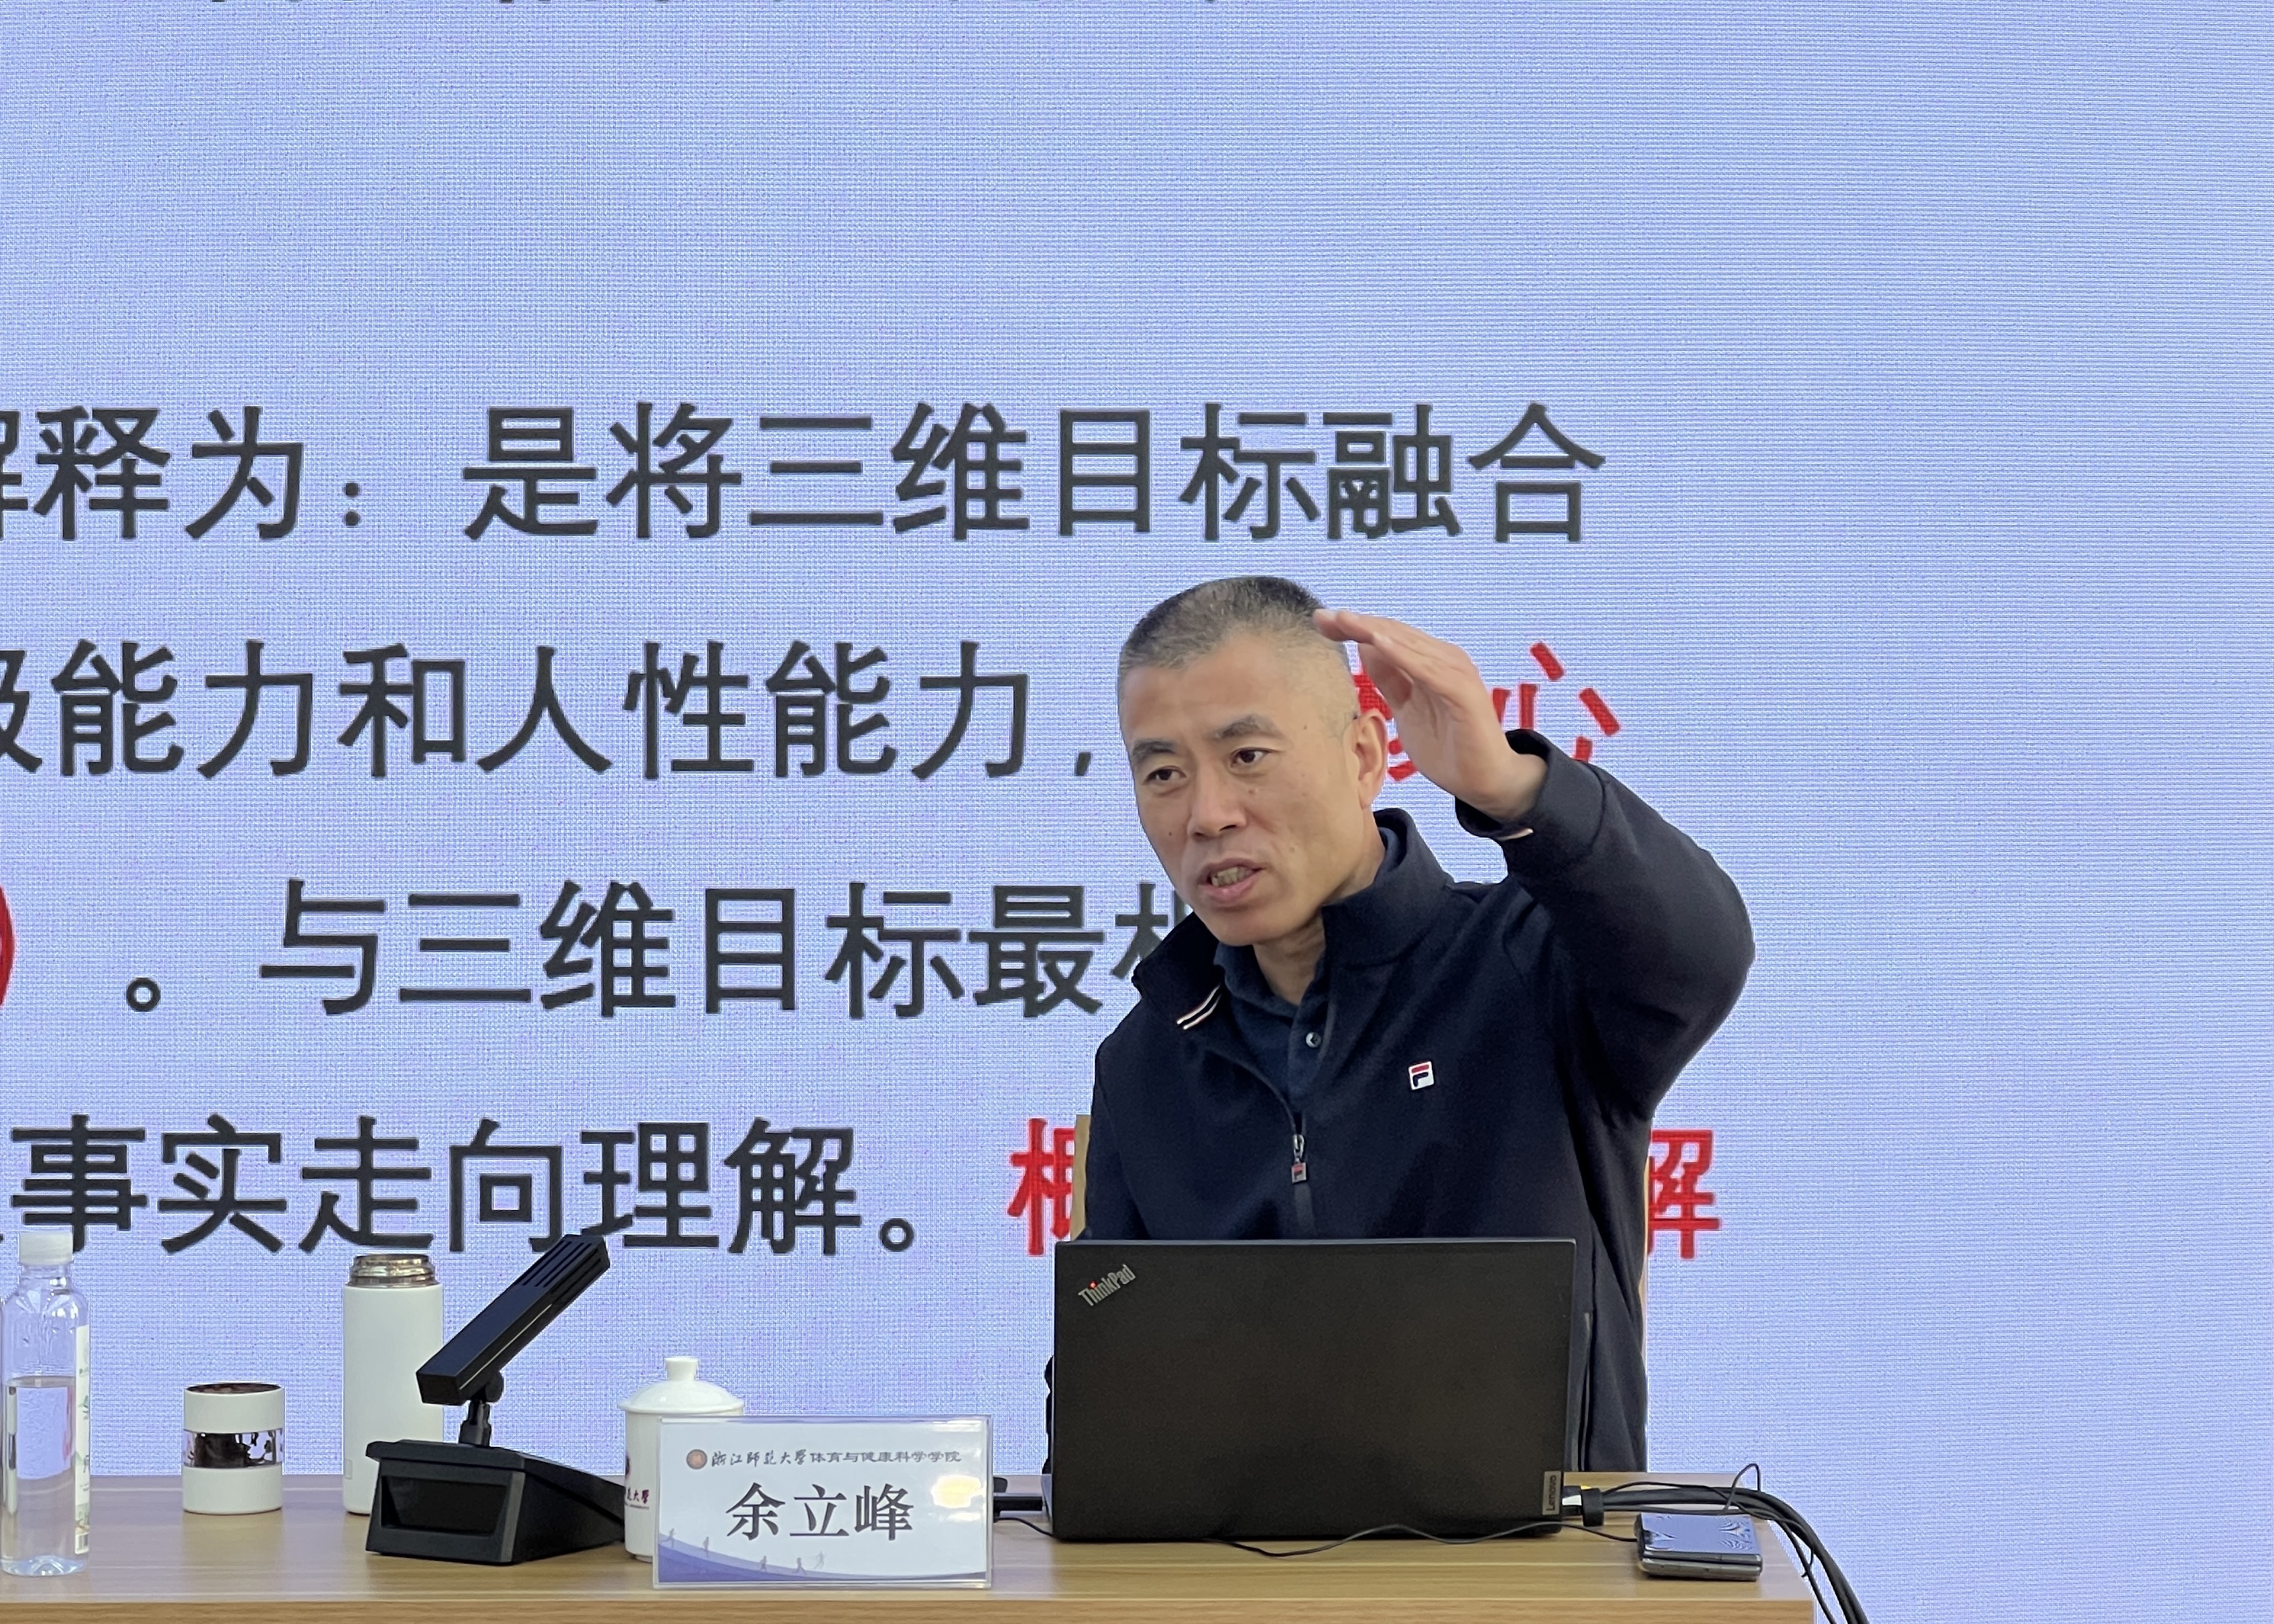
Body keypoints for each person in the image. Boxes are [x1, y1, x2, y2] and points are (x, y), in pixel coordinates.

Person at [1082, 575, 1754, 1471]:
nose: (1207, 815)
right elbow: (1108, 1345)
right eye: (1163, 774)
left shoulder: (1528, 962)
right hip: (1243, 1551)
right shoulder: (1146, 1057)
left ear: (1365, 756)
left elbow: (1700, 952)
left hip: (1539, 1549)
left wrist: (1514, 787)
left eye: (1247, 756)